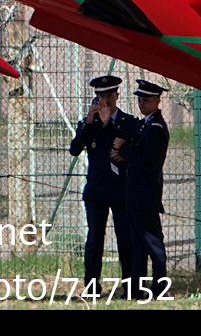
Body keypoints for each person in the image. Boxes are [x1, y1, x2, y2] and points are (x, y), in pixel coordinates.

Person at [68, 74, 135, 293]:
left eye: (109, 96)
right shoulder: (90, 124)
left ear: (116, 95)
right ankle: (92, 285)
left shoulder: (127, 122)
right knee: (95, 239)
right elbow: (75, 149)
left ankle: (130, 285)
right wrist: (89, 122)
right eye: (100, 96)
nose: (105, 101)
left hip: (120, 189)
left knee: (125, 238)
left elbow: (116, 145)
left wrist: (107, 123)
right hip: (97, 189)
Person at [117, 78, 170, 288]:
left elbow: (148, 162)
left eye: (146, 100)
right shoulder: (146, 124)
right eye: (139, 100)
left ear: (157, 101)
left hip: (145, 194)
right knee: (138, 243)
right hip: (136, 193)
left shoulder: (156, 128)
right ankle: (136, 288)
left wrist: (124, 150)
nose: (141, 104)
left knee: (153, 243)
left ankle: (159, 285)